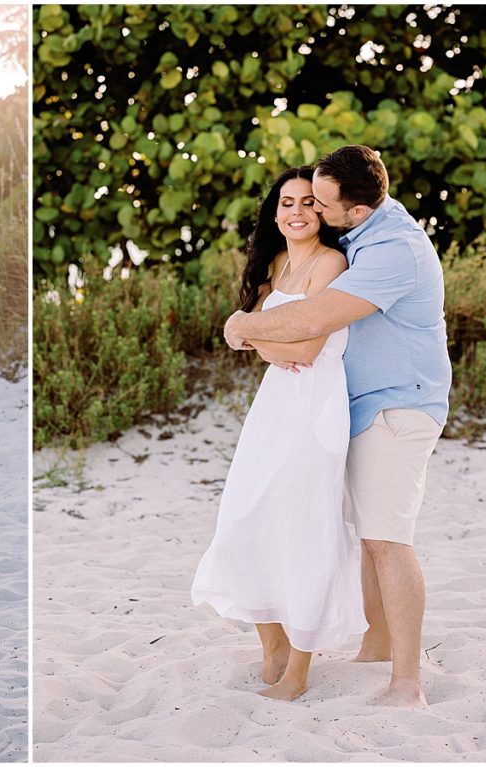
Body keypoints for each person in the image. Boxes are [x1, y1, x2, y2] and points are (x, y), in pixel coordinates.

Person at [223, 145, 451, 707]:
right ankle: (375, 647)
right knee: (362, 534)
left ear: (358, 210)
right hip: (352, 404)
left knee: (387, 540)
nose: (315, 211)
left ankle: (407, 684)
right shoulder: (361, 232)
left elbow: (318, 317)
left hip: (398, 404)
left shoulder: (393, 249)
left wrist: (242, 325)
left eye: (324, 203)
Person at [192, 166, 367, 701]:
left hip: (315, 407)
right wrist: (256, 336)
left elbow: (307, 349)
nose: (297, 212)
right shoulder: (275, 264)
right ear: (274, 212)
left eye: (310, 203)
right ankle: (273, 643)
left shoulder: (330, 263)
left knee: (304, 527)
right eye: (287, 202)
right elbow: (258, 337)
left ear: (324, 211)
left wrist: (251, 334)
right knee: (247, 516)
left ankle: (299, 673)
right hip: (274, 407)